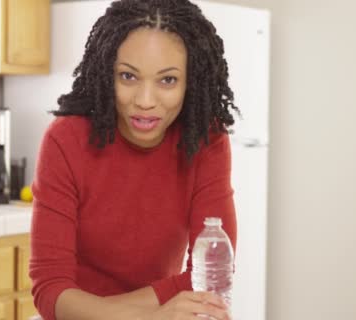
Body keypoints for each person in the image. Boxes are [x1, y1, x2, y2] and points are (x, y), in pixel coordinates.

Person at [29, 0, 238, 319]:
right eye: (128, 76)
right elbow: (50, 290)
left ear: (189, 82)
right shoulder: (66, 139)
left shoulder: (205, 142)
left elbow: (205, 278)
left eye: (167, 80)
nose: (145, 101)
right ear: (106, 74)